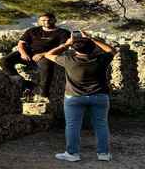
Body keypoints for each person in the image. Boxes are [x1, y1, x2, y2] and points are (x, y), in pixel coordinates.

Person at [45, 30, 117, 162]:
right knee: (101, 125)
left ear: (74, 49)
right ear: (93, 48)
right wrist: (92, 38)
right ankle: (103, 154)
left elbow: (49, 55)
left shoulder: (68, 60)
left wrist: (66, 44)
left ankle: (72, 154)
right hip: (99, 96)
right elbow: (112, 50)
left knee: (72, 125)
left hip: (74, 97)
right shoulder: (101, 59)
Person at [0, 13, 70, 97]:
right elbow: (21, 43)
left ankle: (43, 89)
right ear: (39, 21)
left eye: (49, 20)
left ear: (55, 21)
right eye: (43, 20)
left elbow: (63, 47)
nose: (46, 22)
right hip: (29, 52)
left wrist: (44, 54)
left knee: (46, 66)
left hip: (47, 54)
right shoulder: (32, 30)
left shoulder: (63, 33)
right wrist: (23, 53)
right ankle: (19, 80)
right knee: (3, 61)